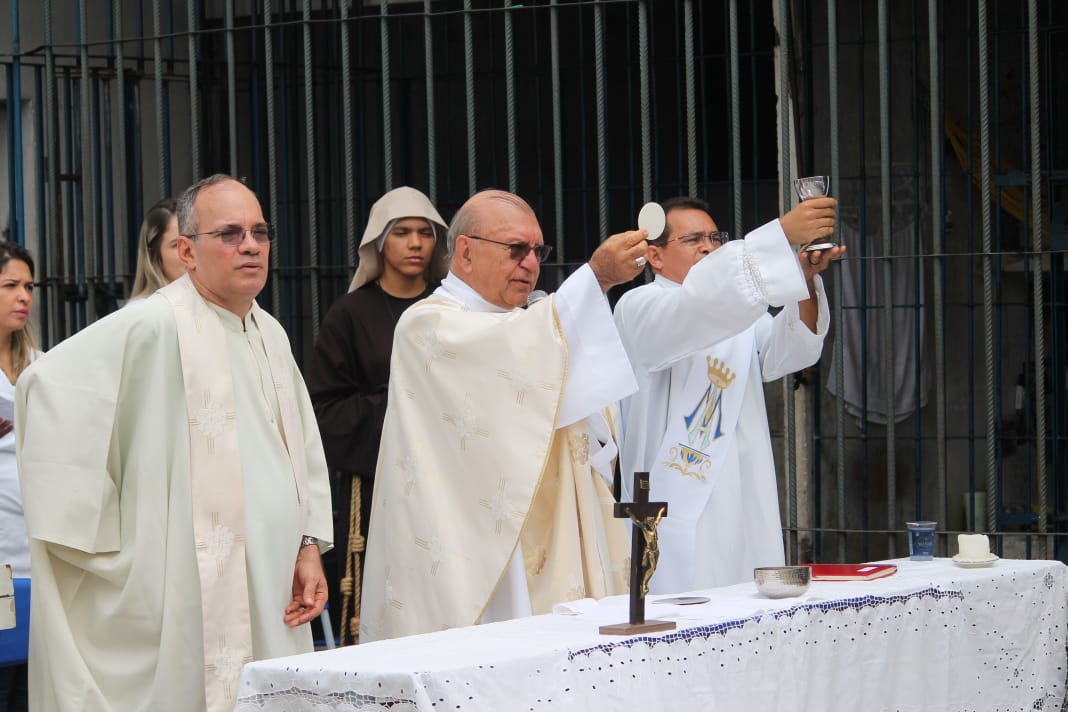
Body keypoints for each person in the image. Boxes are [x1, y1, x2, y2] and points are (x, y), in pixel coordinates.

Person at [15, 175, 333, 711]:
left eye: (260, 231)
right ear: (186, 250)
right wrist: (117, 533)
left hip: (273, 577)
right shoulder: (152, 325)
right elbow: (43, 387)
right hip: (192, 579)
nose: (251, 245)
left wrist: (306, 545)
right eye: (229, 233)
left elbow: (301, 450)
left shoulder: (270, 331)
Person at [359, 189, 648, 642]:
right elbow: (508, 353)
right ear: (467, 251)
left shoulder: (536, 318)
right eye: (516, 249)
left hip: (556, 537)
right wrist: (596, 278)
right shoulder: (428, 325)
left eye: (538, 250)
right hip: (479, 557)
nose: (531, 263)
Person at [613, 195, 843, 593]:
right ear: (655, 256)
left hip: (746, 490)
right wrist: (781, 235)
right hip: (675, 498)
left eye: (715, 237)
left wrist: (802, 280)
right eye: (693, 239)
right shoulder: (639, 306)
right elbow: (696, 309)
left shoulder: (740, 313)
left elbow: (791, 351)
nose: (708, 246)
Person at [306, 186, 449, 644]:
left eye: (424, 233)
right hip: (374, 485)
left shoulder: (450, 309)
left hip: (447, 477)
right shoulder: (348, 315)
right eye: (402, 232)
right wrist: (400, 402)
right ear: (378, 243)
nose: (414, 244)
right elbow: (325, 409)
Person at [0, 241, 40, 712]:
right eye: (10, 285)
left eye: (29, 286)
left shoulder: (43, 363)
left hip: (35, 549)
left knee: (33, 682)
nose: (23, 296)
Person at [129, 197, 184, 299]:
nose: (190, 252)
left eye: (194, 240)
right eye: (177, 245)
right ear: (152, 255)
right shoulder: (143, 311)